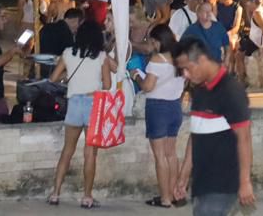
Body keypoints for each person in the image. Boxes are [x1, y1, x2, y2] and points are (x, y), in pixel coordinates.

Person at [173, 36, 255, 216]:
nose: (185, 74)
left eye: (187, 68)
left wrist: (245, 181)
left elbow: (244, 137)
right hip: (203, 183)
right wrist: (183, 177)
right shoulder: (200, 90)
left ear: (201, 60)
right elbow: (196, 134)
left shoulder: (230, 90)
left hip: (223, 184)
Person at [48, 17, 117, 208]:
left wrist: (69, 75)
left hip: (74, 103)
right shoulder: (101, 56)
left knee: (67, 151)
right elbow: (108, 84)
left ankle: (55, 193)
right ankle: (87, 196)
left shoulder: (69, 52)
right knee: (90, 154)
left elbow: (53, 78)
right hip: (93, 104)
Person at [132, 23, 187, 208]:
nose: (151, 45)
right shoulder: (180, 57)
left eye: (152, 41)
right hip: (174, 107)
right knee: (171, 154)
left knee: (160, 156)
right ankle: (172, 194)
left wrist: (136, 76)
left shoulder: (157, 59)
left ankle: (164, 198)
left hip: (158, 108)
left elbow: (148, 86)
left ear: (157, 41)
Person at [238, 0, 263, 89]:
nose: (247, 4)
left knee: (239, 55)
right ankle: (245, 79)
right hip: (255, 40)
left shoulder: (257, 13)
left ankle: (242, 79)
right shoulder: (259, 11)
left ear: (253, 2)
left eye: (248, 2)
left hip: (256, 41)